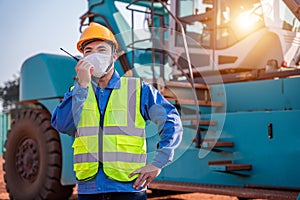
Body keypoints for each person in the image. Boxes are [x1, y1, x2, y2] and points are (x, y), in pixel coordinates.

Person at [51, 22, 183, 200]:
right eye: (88, 51)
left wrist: (158, 162)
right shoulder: (78, 93)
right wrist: (81, 87)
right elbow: (62, 124)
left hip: (128, 189)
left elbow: (171, 121)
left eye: (101, 50)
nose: (94, 55)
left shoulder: (138, 90)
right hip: (89, 190)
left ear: (114, 56)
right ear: (82, 59)